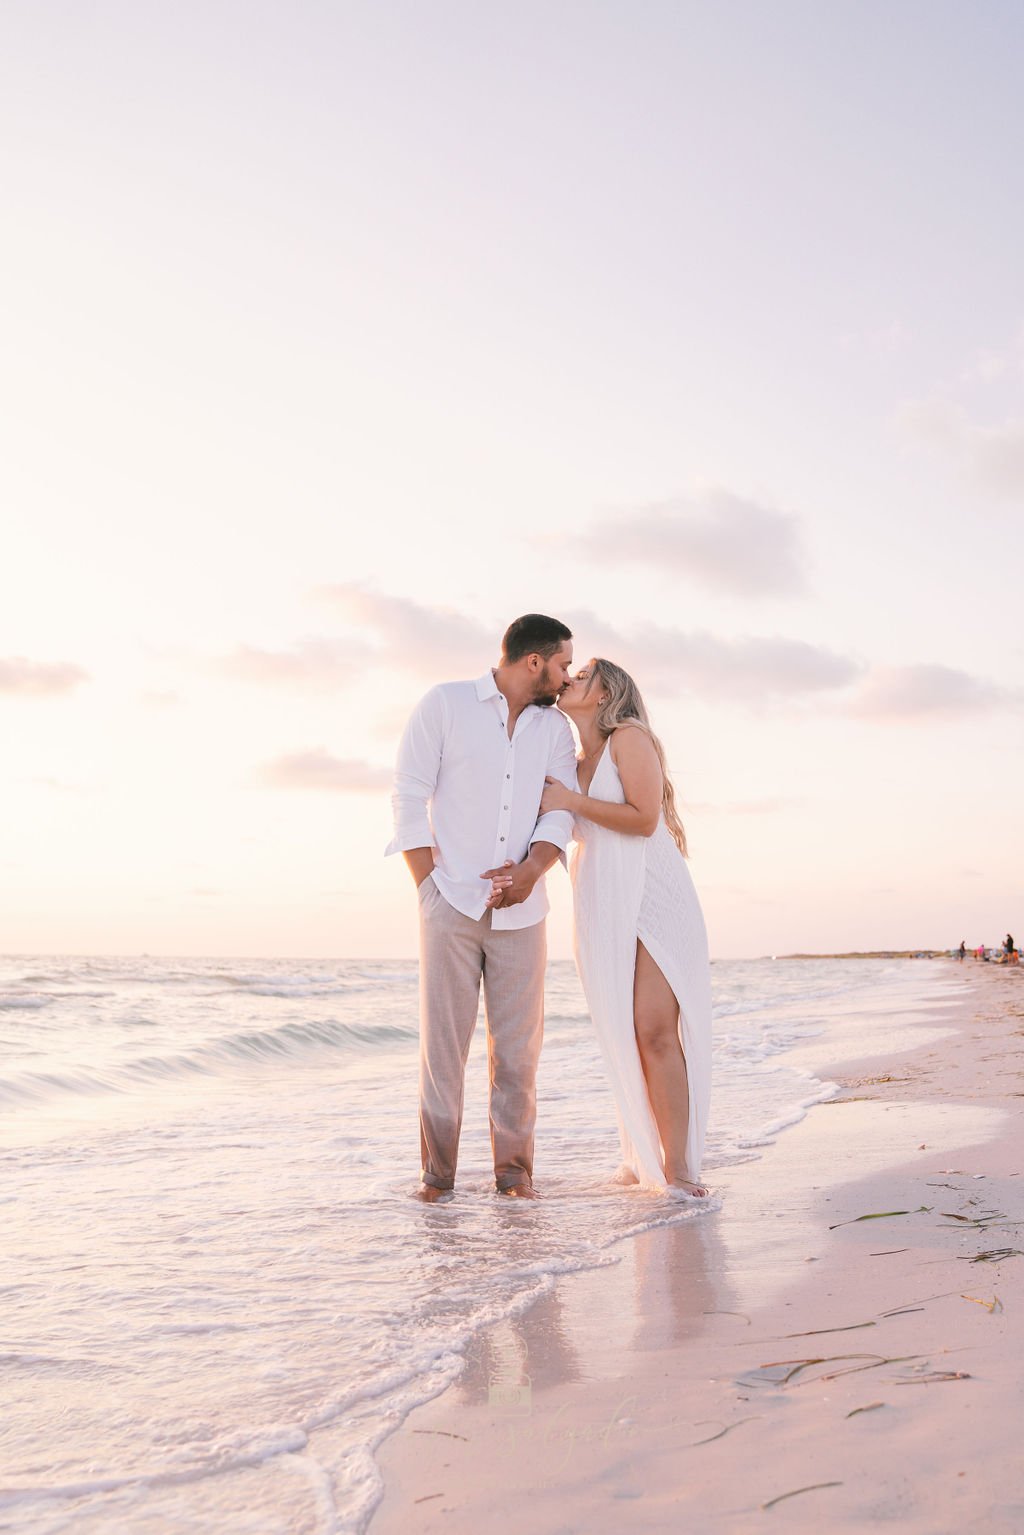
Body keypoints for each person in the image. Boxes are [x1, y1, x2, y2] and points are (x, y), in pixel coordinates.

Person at [386, 614, 577, 1202]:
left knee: (518, 1055)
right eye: (564, 665)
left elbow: (561, 810)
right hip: (450, 905)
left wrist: (531, 871)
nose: (568, 678)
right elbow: (408, 793)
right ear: (533, 661)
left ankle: (514, 1178)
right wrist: (428, 889)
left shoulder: (554, 730)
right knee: (443, 1051)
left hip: (524, 912)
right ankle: (436, 1180)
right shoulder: (445, 704)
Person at [529, 657, 712, 1197]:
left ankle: (679, 1169)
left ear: (608, 691)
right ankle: (642, 1157)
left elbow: (644, 819)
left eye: (583, 675)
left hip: (653, 892)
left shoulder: (629, 737)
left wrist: (569, 800)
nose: (570, 679)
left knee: (655, 1030)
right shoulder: (571, 757)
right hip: (603, 897)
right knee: (623, 1031)